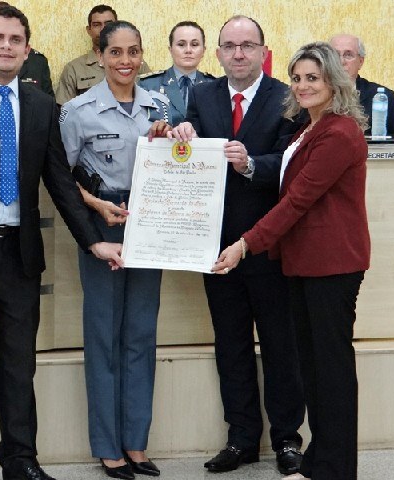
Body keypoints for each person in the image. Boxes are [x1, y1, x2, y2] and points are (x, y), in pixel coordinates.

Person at [0, 6, 122, 480]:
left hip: (20, 253)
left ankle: (20, 459)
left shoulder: (41, 106)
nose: (6, 46)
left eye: (16, 40)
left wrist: (93, 242)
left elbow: (60, 182)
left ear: (27, 50)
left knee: (19, 364)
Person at [211, 41, 370, 480]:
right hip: (303, 263)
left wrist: (244, 244)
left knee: (331, 372)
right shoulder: (308, 128)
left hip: (332, 265)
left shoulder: (339, 133)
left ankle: (335, 470)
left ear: (334, 80)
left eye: (313, 78)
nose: (302, 86)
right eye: (297, 78)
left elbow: (296, 201)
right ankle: (318, 464)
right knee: (314, 370)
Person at [169, 15, 305, 476]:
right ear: (219, 53)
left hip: (269, 243)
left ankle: (287, 439)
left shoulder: (287, 97)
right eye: (230, 46)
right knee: (231, 345)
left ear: (263, 51)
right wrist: (181, 134)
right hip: (216, 245)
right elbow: (188, 150)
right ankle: (242, 439)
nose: (239, 54)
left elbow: (291, 163)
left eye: (248, 45)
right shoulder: (203, 94)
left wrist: (251, 164)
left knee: (280, 345)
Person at [59, 20, 170, 480]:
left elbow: (180, 164)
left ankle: (136, 443)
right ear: (101, 56)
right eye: (116, 52)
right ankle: (108, 448)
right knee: (104, 336)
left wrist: (175, 141)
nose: (126, 61)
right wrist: (95, 205)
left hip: (151, 227)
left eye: (133, 51)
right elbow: (60, 179)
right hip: (103, 227)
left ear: (142, 55)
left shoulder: (160, 106)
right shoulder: (77, 111)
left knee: (141, 335)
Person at [55, 4, 150, 105]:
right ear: (89, 30)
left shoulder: (135, 64)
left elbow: (152, 100)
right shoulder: (74, 69)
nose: (103, 29)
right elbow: (64, 110)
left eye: (109, 24)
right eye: (97, 25)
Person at [139, 21, 215, 125]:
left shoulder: (214, 86)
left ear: (203, 50)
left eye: (194, 44)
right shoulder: (148, 85)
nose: (188, 50)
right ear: (170, 49)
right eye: (181, 44)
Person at [329, 33, 394, 136]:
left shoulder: (383, 97)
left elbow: (392, 143)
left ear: (360, 62)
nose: (341, 61)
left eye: (348, 55)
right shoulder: (313, 94)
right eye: (335, 55)